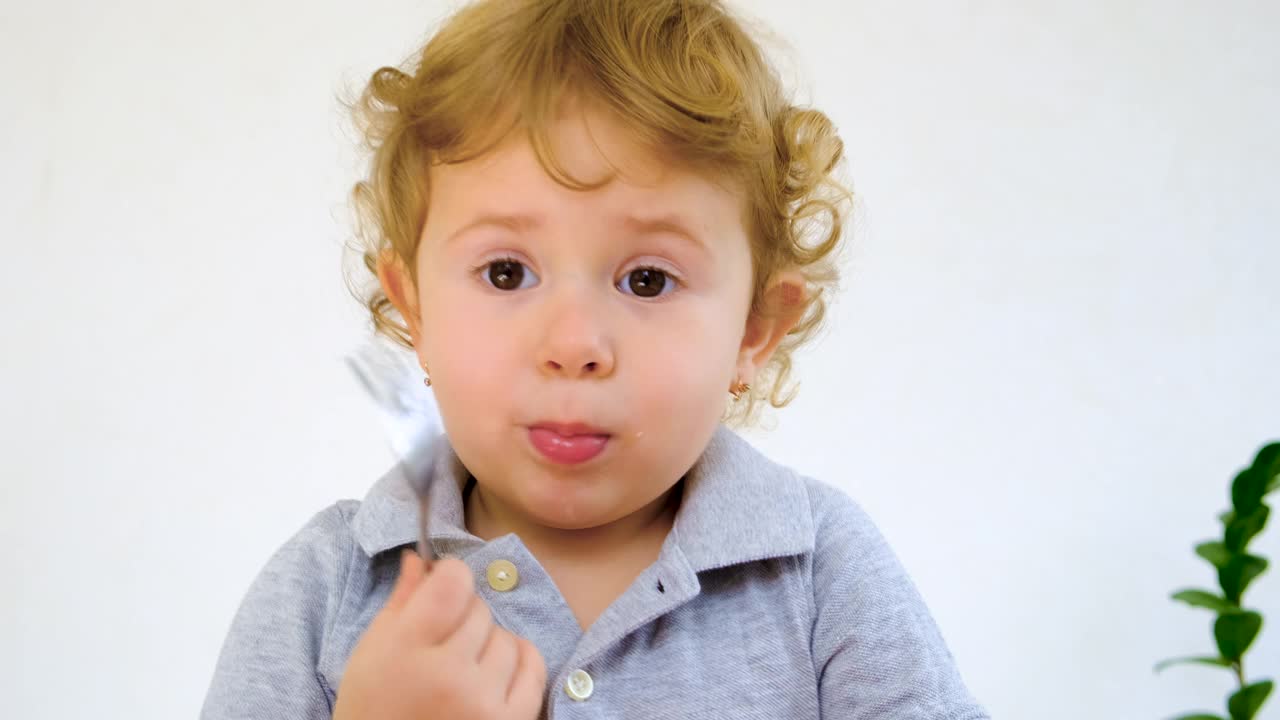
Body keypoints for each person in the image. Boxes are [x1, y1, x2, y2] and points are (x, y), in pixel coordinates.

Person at [201, 1, 989, 717]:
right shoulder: (325, 593)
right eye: (506, 272)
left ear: (754, 330)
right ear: (414, 311)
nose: (574, 345)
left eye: (647, 280)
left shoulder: (820, 574)